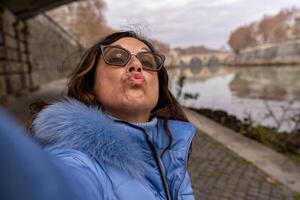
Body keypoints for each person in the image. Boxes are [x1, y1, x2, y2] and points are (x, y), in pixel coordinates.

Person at [16, 30, 197, 200]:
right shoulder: (74, 160)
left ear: (159, 85)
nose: (136, 65)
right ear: (90, 84)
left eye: (148, 62)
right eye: (117, 58)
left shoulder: (171, 150)